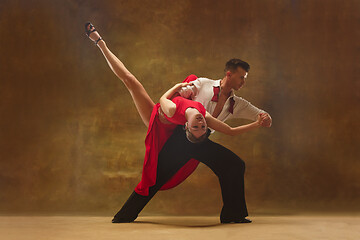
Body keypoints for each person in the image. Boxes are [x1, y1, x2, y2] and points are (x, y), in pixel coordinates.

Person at [85, 23, 267, 223]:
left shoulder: (235, 104)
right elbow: (170, 99)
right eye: (241, 77)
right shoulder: (202, 85)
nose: (243, 82)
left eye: (245, 78)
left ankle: (233, 214)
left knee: (234, 165)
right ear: (229, 75)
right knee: (154, 177)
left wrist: (264, 119)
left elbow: (252, 119)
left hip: (199, 139)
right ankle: (124, 215)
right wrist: (179, 88)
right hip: (176, 133)